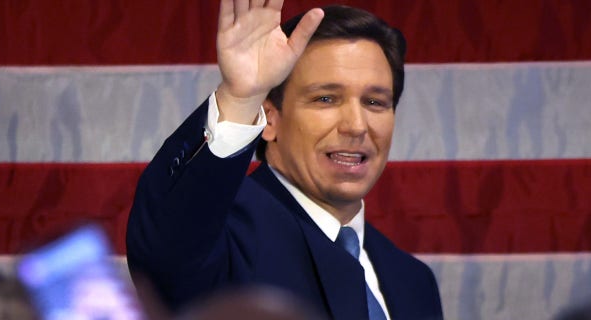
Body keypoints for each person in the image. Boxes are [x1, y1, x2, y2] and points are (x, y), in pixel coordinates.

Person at [126, 0, 443, 319]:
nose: (357, 126)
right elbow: (165, 257)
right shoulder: (221, 234)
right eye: (326, 99)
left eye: (375, 102)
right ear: (271, 117)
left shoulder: (413, 280)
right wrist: (241, 98)